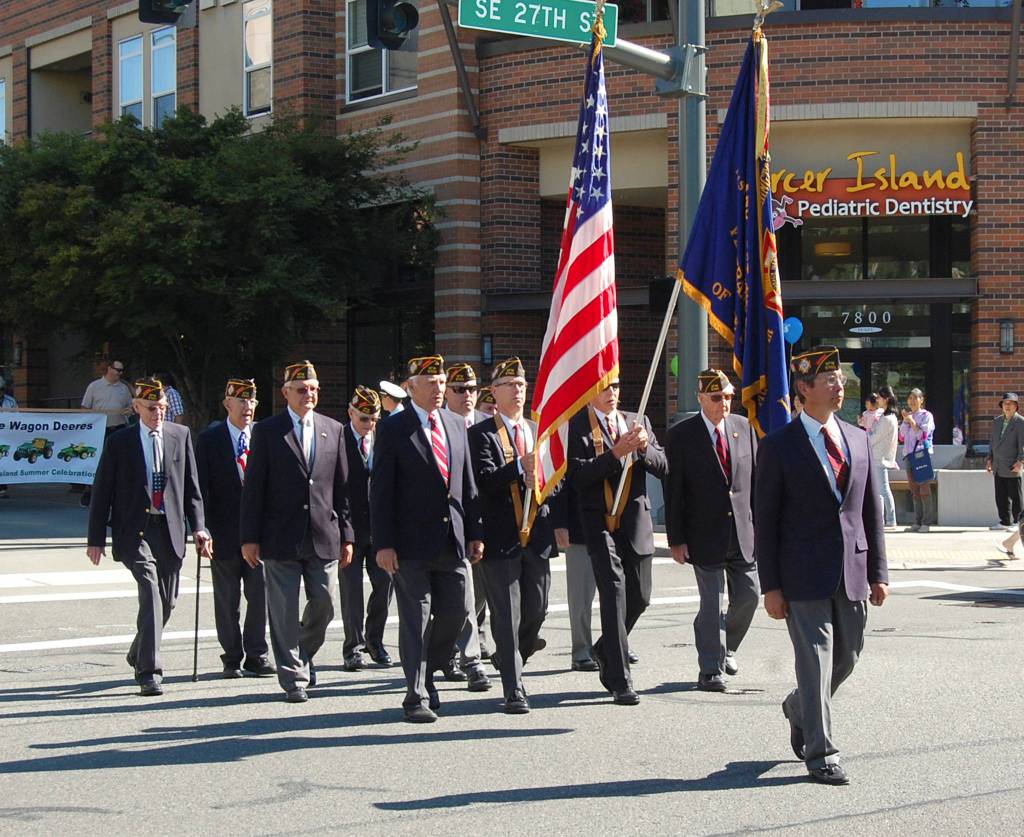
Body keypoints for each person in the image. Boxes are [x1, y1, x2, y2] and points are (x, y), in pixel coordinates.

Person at [755, 346, 888, 786]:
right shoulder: (778, 447)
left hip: (851, 570)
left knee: (846, 657)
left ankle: (799, 707)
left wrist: (879, 573)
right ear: (804, 388)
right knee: (814, 661)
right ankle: (821, 753)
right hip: (801, 574)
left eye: (841, 378)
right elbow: (766, 521)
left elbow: (871, 512)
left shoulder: (857, 437)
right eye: (829, 379)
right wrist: (770, 586)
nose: (839, 385)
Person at [371, 354, 485, 723]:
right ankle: (414, 695)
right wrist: (384, 544)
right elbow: (382, 491)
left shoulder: (455, 424)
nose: (439, 389)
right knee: (415, 619)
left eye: (441, 382)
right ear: (410, 387)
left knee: (456, 612)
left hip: (451, 541)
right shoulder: (393, 429)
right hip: (410, 544)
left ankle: (431, 669)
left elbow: (467, 485)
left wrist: (475, 532)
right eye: (431, 382)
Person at [86, 377, 212, 696]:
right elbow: (102, 491)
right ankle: (149, 670)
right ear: (136, 408)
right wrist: (96, 537)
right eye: (151, 408)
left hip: (168, 529)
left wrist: (199, 527)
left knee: (167, 601)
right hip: (133, 531)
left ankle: (139, 650)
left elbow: (192, 489)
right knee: (150, 588)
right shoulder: (120, 442)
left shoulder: (179, 435)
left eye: (162, 408)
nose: (158, 413)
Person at [239, 360, 355, 703]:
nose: (309, 395)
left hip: (323, 534)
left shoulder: (333, 429)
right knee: (284, 611)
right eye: (302, 389)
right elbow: (254, 487)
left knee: (325, 603)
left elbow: (343, 488)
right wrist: (250, 536)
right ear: (286, 392)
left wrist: (348, 535)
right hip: (280, 535)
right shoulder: (268, 431)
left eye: (314, 389)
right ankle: (292, 678)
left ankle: (301, 654)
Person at [567, 377, 667, 706]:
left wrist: (642, 448)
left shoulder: (637, 421)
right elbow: (577, 476)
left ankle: (605, 646)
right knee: (613, 591)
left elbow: (663, 465)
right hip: (597, 523)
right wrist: (614, 454)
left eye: (617, 386)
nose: (613, 393)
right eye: (605, 387)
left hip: (634, 521)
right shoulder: (576, 425)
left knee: (640, 596)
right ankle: (621, 679)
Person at [469, 357, 555, 714]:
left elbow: (558, 477)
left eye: (521, 385)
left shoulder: (540, 431)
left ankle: (511, 655)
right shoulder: (481, 434)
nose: (518, 391)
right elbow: (484, 481)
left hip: (537, 535)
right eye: (510, 386)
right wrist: (521, 465)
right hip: (501, 536)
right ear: (494, 392)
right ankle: (513, 688)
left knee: (537, 609)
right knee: (506, 614)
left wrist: (547, 478)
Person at [665, 369, 759, 692]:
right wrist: (676, 539)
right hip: (703, 533)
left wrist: (761, 527)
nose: (725, 404)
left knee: (750, 595)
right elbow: (674, 492)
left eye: (729, 397)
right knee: (711, 602)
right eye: (717, 398)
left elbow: (754, 483)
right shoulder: (681, 436)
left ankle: (724, 644)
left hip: (742, 534)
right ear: (701, 398)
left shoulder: (743, 427)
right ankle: (709, 670)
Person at [195, 378, 273, 680]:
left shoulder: (264, 436)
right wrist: (201, 528)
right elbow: (199, 489)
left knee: (260, 594)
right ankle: (231, 656)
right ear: (227, 404)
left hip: (259, 535)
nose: (247, 407)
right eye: (241, 401)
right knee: (227, 599)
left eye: (252, 401)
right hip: (224, 533)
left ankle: (257, 654)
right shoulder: (210, 439)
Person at [442, 361, 493, 688]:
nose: (467, 395)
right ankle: (462, 657)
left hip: (482, 523)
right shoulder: (439, 423)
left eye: (472, 389)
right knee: (457, 598)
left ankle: (469, 652)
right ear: (446, 392)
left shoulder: (489, 424)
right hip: (444, 525)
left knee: (477, 595)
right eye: (459, 390)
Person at [339, 385, 394, 671]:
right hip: (348, 529)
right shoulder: (338, 438)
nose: (369, 425)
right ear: (351, 413)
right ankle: (353, 647)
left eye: (374, 419)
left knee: (384, 585)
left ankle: (375, 640)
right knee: (351, 593)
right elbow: (336, 489)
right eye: (364, 419)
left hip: (378, 529)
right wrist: (343, 533)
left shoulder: (382, 438)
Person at [551, 481, 598, 671]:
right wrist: (560, 523)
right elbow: (559, 479)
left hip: (617, 524)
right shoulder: (568, 448)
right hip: (580, 525)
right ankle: (582, 650)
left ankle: (613, 646)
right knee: (581, 596)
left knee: (626, 595)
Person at [80, 360, 134, 507]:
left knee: (119, 462)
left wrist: (129, 410)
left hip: (119, 428)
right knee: (96, 461)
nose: (120, 373)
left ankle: (117, 494)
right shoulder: (95, 386)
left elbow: (131, 406)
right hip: (100, 430)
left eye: (122, 371)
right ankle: (89, 492)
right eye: (118, 370)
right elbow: (85, 408)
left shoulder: (123, 388)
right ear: (109, 369)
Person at [986, 392, 1024, 540]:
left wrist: (1021, 461)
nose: (1007, 406)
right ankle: (1004, 521)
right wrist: (989, 459)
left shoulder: (1020, 422)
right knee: (1000, 495)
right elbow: (993, 442)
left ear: (1016, 406)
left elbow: (1023, 444)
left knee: (1015, 495)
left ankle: (1018, 522)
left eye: (1010, 404)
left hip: (1012, 464)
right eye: (1005, 403)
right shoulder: (997, 421)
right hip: (998, 464)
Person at [899, 387, 936, 532]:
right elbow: (901, 437)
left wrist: (911, 422)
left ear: (922, 400)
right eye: (910, 398)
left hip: (921, 454)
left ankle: (926, 522)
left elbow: (923, 435)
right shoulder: (908, 416)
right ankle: (917, 521)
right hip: (908, 455)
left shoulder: (926, 415)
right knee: (914, 490)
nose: (912, 401)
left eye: (915, 398)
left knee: (924, 489)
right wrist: (906, 421)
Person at [868, 386, 900, 530]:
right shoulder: (890, 417)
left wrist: (863, 437)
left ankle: (890, 520)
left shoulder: (887, 419)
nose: (878, 400)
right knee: (882, 490)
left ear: (886, 399)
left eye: (880, 397)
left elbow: (874, 437)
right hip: (881, 457)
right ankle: (885, 519)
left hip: (879, 457)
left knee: (883, 490)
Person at [0, 375, 17, 499]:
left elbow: (18, 418)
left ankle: (2, 485)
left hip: (6, 435)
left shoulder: (10, 401)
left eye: (1, 389)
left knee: (4, 458)